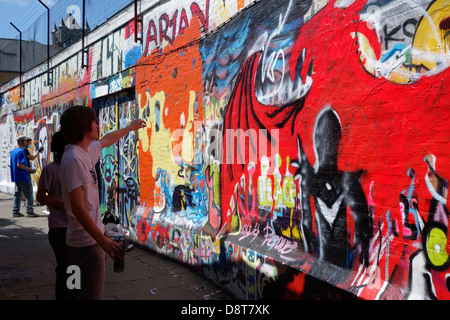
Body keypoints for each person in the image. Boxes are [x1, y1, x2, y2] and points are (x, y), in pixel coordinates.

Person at [59, 105, 146, 300]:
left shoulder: (83, 152)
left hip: (84, 241)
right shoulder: (74, 159)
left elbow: (107, 139)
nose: (98, 125)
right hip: (86, 244)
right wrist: (102, 241)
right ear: (84, 127)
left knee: (79, 292)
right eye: (94, 122)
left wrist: (130, 127)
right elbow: (78, 207)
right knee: (90, 295)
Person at [36, 131, 71, 300]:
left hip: (76, 225)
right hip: (59, 226)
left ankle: (74, 294)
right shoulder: (50, 170)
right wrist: (64, 205)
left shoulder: (75, 166)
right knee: (64, 266)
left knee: (75, 265)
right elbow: (41, 197)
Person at [10, 135, 38, 217]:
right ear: (21, 142)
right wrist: (30, 169)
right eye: (25, 141)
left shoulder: (13, 151)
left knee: (18, 194)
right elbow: (20, 165)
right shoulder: (21, 151)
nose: (26, 143)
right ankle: (29, 211)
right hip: (23, 176)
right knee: (29, 194)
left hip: (16, 176)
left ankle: (15, 211)